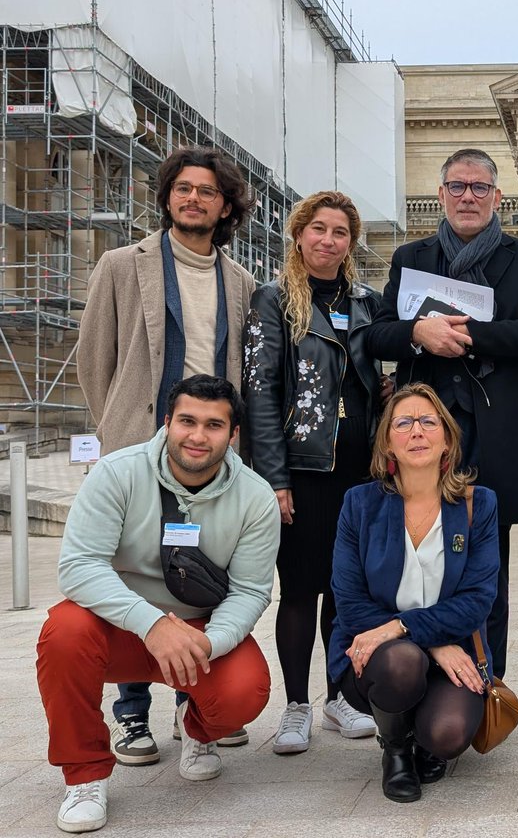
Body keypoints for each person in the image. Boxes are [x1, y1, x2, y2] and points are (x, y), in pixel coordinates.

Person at [77, 146, 257, 766]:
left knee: (198, 570)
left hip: (209, 456)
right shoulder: (121, 266)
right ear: (168, 197)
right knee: (132, 569)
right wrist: (119, 431)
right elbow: (94, 360)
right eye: (183, 188)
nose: (193, 199)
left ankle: (192, 703)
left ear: (225, 206)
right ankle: (131, 715)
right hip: (140, 447)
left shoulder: (240, 282)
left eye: (207, 191)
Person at [36, 375, 279, 833]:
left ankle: (196, 728)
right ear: (167, 422)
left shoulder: (256, 497)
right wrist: (150, 624)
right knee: (63, 633)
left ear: (233, 435)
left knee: (246, 689)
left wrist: (210, 644)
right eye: (187, 421)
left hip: (197, 633)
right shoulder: (116, 473)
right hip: (119, 627)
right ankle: (84, 776)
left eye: (213, 425)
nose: (197, 436)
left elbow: (249, 591)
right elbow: (79, 566)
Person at [366, 148, 518, 681]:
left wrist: (468, 333)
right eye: (457, 186)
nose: (467, 196)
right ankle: (417, 677)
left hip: (494, 431)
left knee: (487, 570)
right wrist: (417, 333)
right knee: (415, 560)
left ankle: (486, 683)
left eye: (479, 187)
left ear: (497, 197)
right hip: (422, 437)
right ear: (441, 195)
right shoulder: (411, 257)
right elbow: (378, 334)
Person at [242, 191, 383, 754]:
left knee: (346, 591)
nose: (328, 240)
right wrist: (274, 479)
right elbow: (259, 396)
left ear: (351, 242)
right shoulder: (273, 300)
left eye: (340, 232)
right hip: (303, 468)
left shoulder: (368, 302)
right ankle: (296, 705)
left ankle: (339, 697)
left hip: (360, 469)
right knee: (301, 589)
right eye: (318, 229)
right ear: (299, 235)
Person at [329, 382, 500, 803]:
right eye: (403, 423)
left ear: (448, 440)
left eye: (428, 421)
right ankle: (396, 749)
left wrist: (408, 629)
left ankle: (421, 735)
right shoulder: (359, 505)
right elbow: (349, 604)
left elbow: (477, 601)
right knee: (403, 661)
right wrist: (426, 642)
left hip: (454, 654)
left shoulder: (478, 505)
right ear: (388, 442)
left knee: (447, 735)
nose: (417, 431)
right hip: (377, 657)